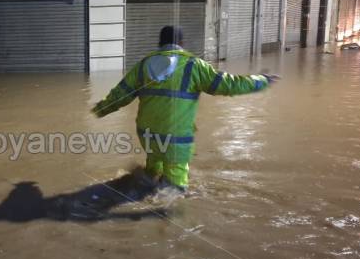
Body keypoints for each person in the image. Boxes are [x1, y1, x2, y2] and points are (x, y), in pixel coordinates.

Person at [91, 26, 278, 191]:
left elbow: (120, 95)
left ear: (160, 42)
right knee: (174, 188)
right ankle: (168, 214)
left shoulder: (143, 65)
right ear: (181, 42)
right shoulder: (193, 65)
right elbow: (228, 84)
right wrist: (260, 81)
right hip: (175, 137)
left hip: (147, 134)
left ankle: (145, 182)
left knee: (153, 165)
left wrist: (99, 110)